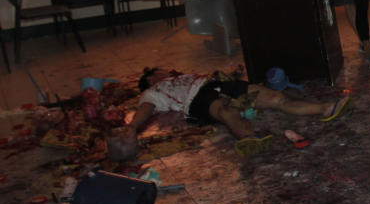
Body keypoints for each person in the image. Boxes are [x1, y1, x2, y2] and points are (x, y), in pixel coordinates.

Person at [115, 67, 352, 142]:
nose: (163, 72)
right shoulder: (153, 91)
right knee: (225, 110)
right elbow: (145, 108)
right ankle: (249, 140)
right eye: (156, 73)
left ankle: (326, 108)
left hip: (218, 84)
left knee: (276, 98)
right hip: (197, 101)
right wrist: (133, 127)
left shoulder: (183, 75)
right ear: (150, 80)